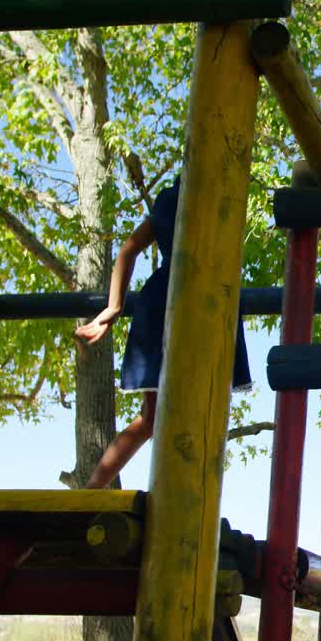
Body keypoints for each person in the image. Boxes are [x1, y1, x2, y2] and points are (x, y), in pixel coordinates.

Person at [75, 174, 252, 489]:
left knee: (156, 417)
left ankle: (94, 488)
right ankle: (179, 493)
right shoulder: (222, 197)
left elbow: (128, 249)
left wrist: (115, 307)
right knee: (203, 411)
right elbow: (129, 250)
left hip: (169, 298)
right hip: (203, 300)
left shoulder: (172, 198)